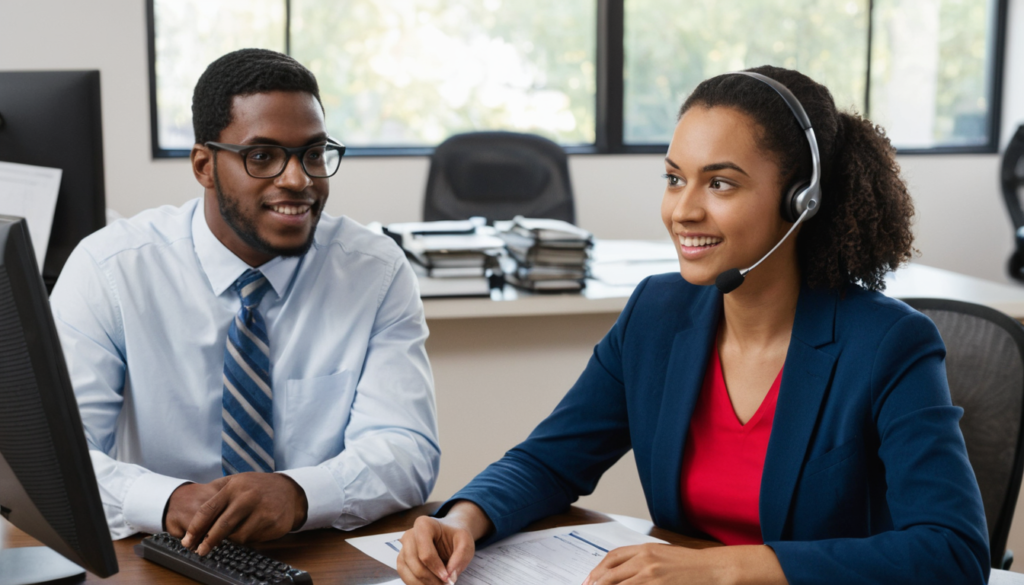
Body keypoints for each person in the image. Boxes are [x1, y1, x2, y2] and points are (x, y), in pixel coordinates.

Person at [396, 65, 989, 585]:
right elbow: (549, 461)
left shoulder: (888, 344)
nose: (684, 210)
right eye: (675, 178)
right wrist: (461, 519)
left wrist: (726, 568)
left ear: (801, 200)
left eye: (721, 183)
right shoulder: (658, 313)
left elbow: (952, 550)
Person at [50, 48, 440, 554]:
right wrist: (169, 500)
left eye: (313, 154)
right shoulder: (111, 270)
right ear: (203, 165)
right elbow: (58, 460)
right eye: (263, 156)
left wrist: (299, 493)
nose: (298, 179)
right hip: (162, 561)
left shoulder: (374, 271)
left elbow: (407, 448)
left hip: (319, 558)